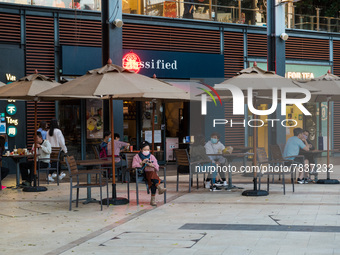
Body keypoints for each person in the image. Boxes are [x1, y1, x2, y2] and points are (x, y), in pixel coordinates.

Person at [132, 141, 166, 206]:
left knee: (152, 177)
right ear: (140, 150)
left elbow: (157, 166)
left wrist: (152, 165)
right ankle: (158, 188)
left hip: (151, 174)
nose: (146, 151)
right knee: (152, 176)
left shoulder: (152, 156)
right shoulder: (136, 156)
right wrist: (141, 163)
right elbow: (133, 166)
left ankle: (155, 194)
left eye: (148, 149)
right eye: (145, 149)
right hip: (141, 174)